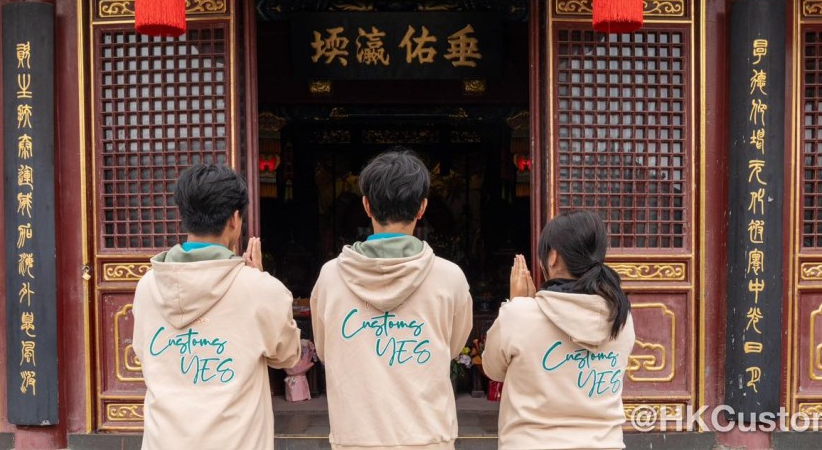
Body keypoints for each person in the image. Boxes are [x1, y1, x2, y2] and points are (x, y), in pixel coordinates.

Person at [311, 150, 473, 450]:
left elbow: (324, 349)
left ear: (366, 205)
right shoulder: (449, 278)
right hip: (428, 438)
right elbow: (452, 347)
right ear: (422, 207)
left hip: (355, 439)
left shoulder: (331, 278)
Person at [132, 163, 301, 450]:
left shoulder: (148, 286)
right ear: (234, 219)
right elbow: (287, 355)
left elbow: (142, 353)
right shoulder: (261, 289)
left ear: (184, 215)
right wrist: (259, 281)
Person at [483, 210, 635, 450]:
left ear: (553, 257)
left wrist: (517, 304)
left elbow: (492, 370)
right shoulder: (620, 317)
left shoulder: (519, 315)